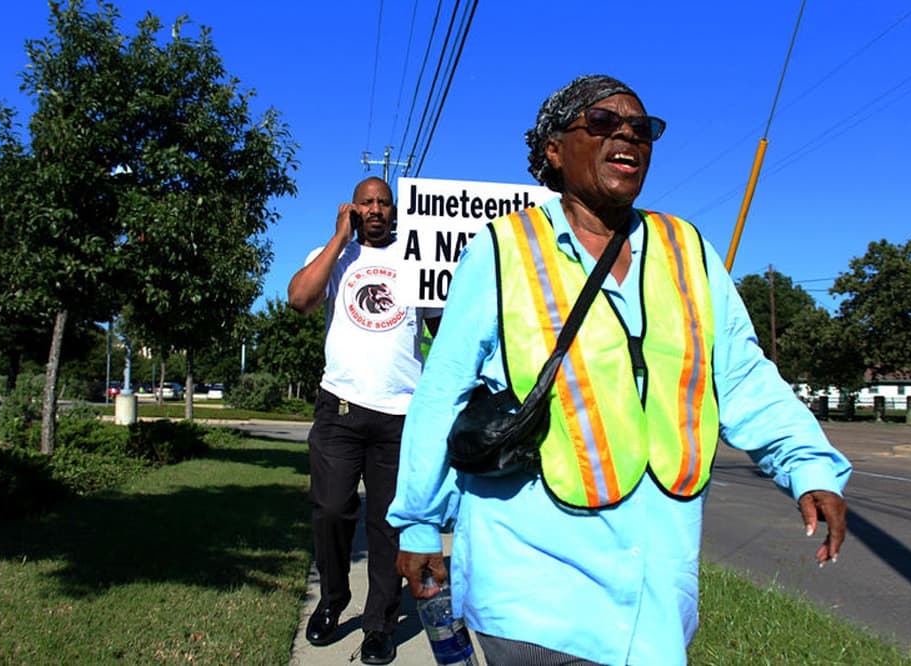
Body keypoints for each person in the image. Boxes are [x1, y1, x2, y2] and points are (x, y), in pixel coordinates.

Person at [387, 75, 851, 665]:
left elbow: (741, 375)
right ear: (554, 149)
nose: (627, 134)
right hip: (534, 585)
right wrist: (421, 524)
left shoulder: (688, 251)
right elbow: (443, 389)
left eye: (643, 128)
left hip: (656, 595)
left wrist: (809, 467)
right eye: (603, 123)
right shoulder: (504, 249)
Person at [288, 176, 441, 665]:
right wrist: (339, 238)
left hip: (400, 415)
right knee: (331, 509)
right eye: (366, 203)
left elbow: (445, 324)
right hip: (341, 407)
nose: (375, 209)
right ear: (352, 208)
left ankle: (379, 624)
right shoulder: (334, 256)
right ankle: (333, 601)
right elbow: (299, 299)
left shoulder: (417, 259)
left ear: (395, 212)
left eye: (384, 203)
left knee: (386, 527)